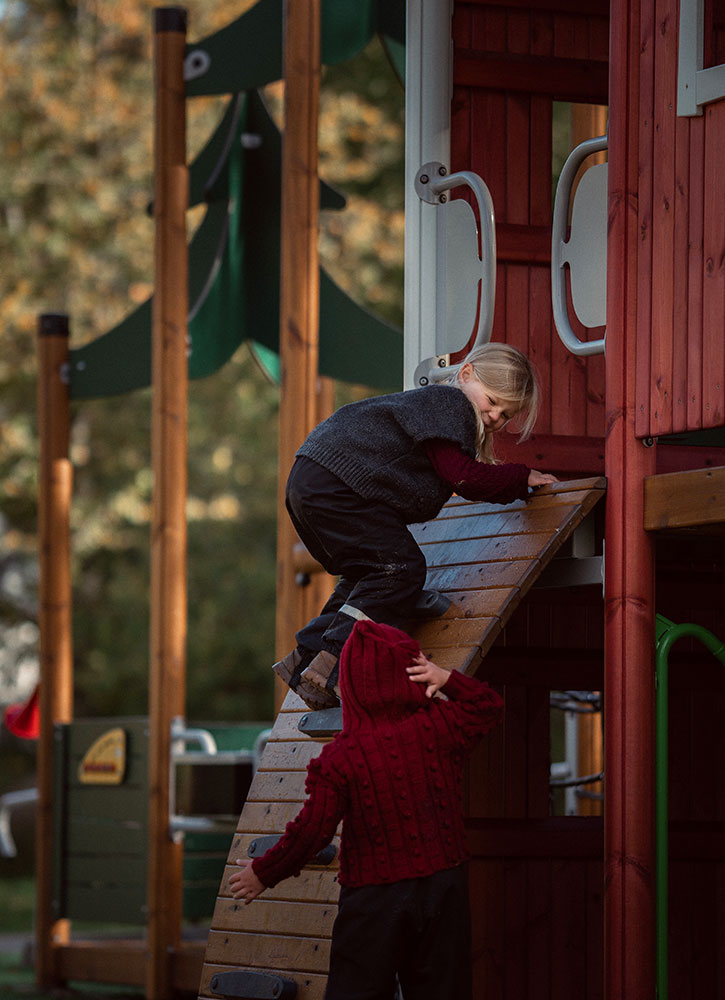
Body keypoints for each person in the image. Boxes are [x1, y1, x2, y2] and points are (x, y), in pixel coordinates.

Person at [230, 619, 505, 1000]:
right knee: (444, 988)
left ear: (353, 687)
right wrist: (446, 677)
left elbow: (314, 831)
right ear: (412, 674)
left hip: (374, 896)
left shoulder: (342, 758)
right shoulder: (440, 726)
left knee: (357, 989)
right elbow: (488, 705)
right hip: (444, 886)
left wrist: (264, 871)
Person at [274, 341, 557, 710]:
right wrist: (521, 479)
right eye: (492, 401)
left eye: (506, 415)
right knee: (402, 568)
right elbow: (464, 478)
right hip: (338, 484)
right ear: (466, 374)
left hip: (313, 481)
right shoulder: (450, 404)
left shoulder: (431, 412)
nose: (494, 417)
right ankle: (336, 665)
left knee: (373, 573)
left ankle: (305, 661)